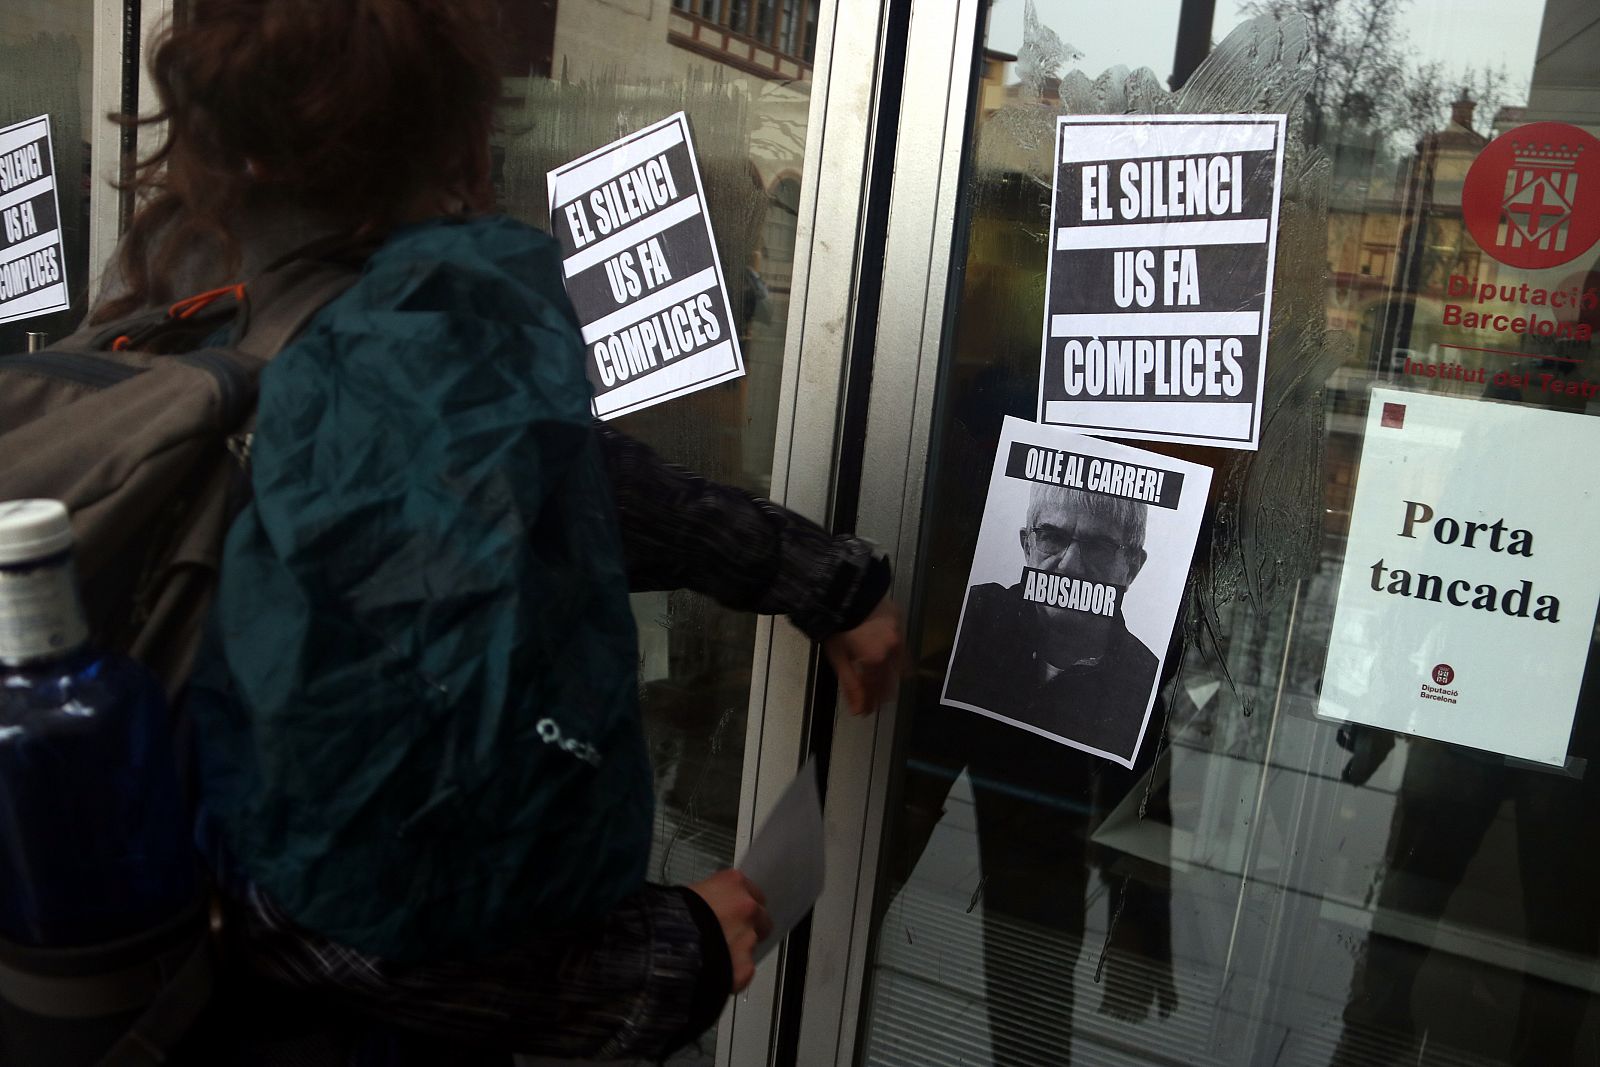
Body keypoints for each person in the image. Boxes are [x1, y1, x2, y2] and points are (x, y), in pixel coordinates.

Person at [88, 0, 903, 1060]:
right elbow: (326, 920)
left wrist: (818, 576)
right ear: (462, 148)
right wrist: (669, 954)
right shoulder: (396, 371)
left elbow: (550, 481)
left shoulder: (171, 305)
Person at [943, 481, 1156, 761]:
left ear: (1132, 568)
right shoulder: (973, 614)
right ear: (1027, 546)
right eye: (1052, 537)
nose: (1069, 565)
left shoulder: (1148, 683)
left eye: (1098, 546)